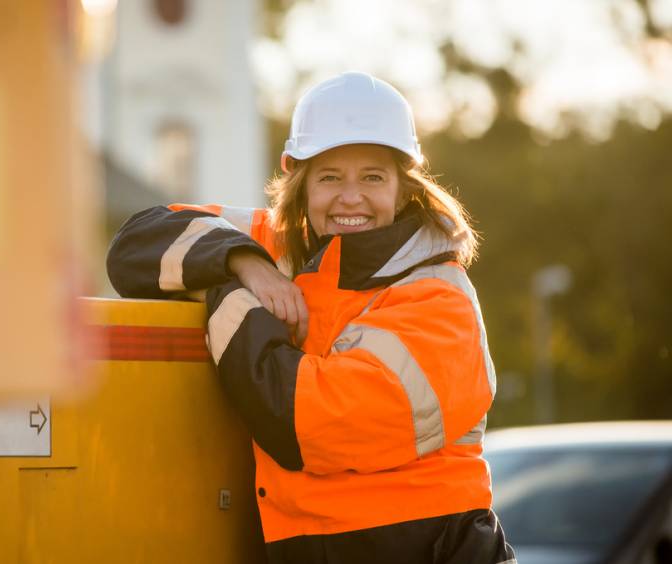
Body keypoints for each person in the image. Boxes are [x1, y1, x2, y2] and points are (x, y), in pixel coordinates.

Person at [106, 71, 515, 564]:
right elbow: (133, 246)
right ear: (300, 185)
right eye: (329, 177)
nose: (350, 198)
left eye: (372, 176)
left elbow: (301, 423)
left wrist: (226, 293)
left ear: (404, 189)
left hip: (429, 549)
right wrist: (247, 264)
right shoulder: (280, 246)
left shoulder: (439, 302)